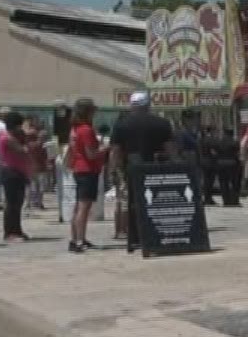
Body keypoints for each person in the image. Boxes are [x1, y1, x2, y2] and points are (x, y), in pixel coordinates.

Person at [110, 91, 176, 253]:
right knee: (154, 202)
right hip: (155, 168)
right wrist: (177, 164)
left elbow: (116, 151)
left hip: (131, 167)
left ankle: (135, 237)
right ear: (148, 105)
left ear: (132, 105)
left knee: (132, 203)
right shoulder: (162, 123)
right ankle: (154, 234)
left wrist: (115, 170)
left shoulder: (121, 124)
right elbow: (170, 149)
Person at [65, 98, 105, 253]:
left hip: (78, 168)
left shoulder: (74, 129)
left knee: (78, 206)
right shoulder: (86, 129)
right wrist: (104, 148)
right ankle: (79, 240)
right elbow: (91, 154)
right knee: (84, 207)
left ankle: (76, 238)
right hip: (88, 169)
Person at [0, 110, 33, 242]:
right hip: (11, 171)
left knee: (18, 203)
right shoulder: (7, 137)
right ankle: (10, 232)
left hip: (17, 171)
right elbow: (23, 151)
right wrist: (28, 141)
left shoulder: (4, 135)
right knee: (12, 203)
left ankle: (17, 230)